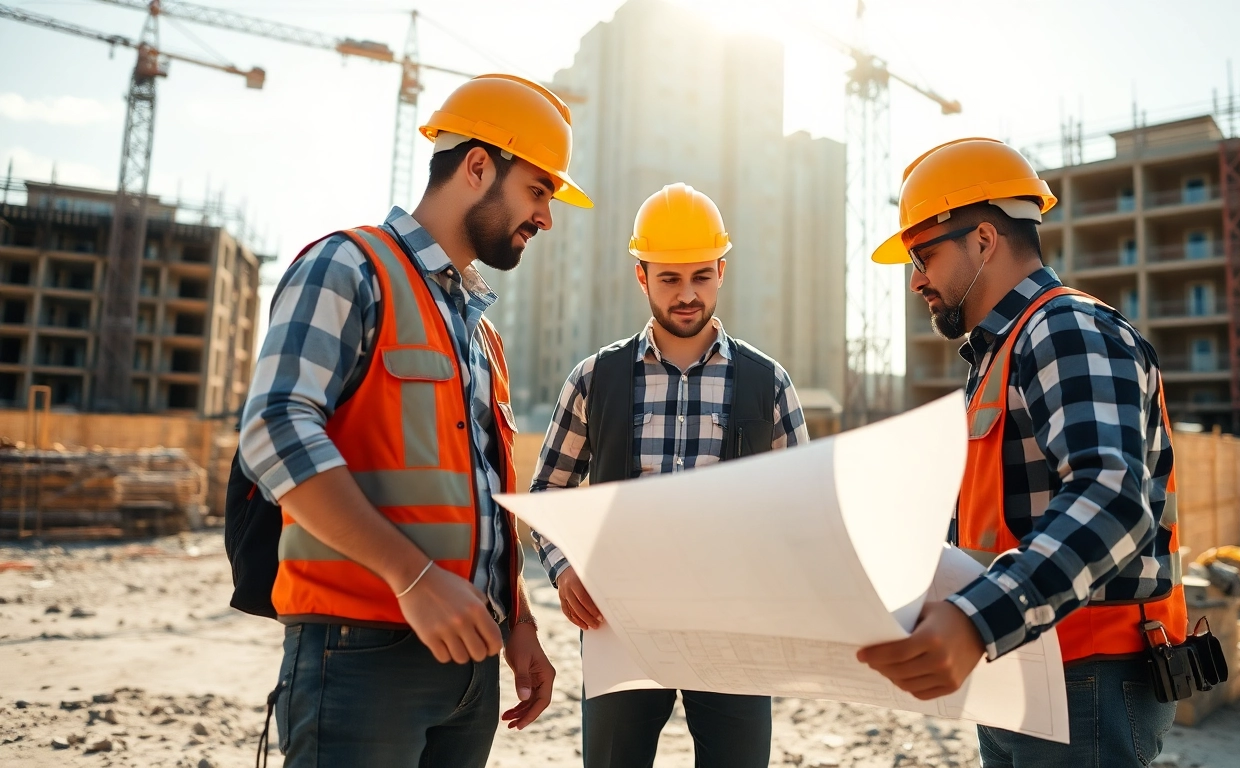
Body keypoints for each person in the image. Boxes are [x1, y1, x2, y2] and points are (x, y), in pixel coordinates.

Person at [237, 74, 593, 767]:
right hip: (359, 655)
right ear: (478, 166)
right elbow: (274, 430)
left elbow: (479, 493)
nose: (546, 217)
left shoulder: (481, 335)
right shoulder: (348, 266)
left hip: (470, 663)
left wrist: (517, 620)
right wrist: (414, 577)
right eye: (538, 190)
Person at [856, 138, 1187, 767]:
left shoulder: (1065, 329)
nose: (916, 280)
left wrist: (975, 621)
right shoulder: (1000, 353)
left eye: (924, 255)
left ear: (984, 241)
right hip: (1021, 661)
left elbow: (1111, 499)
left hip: (1085, 676)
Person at [529, 183, 810, 768]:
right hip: (619, 627)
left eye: (701, 276)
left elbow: (802, 508)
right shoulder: (594, 379)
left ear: (721, 271)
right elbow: (548, 492)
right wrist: (564, 569)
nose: (687, 295)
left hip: (736, 634)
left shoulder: (768, 382)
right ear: (642, 277)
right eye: (669, 279)